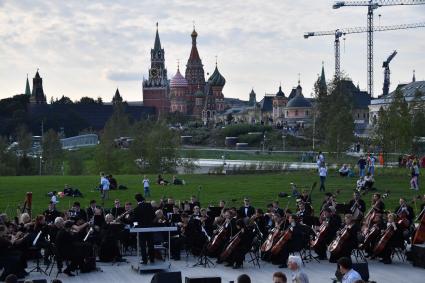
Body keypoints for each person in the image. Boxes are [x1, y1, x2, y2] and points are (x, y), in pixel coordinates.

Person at [131, 193, 155, 264]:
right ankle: (152, 259)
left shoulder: (136, 209)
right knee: (151, 244)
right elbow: (153, 216)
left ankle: (144, 260)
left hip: (141, 229)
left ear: (136, 200)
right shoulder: (149, 205)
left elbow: (135, 221)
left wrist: (135, 226)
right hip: (150, 227)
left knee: (143, 245)